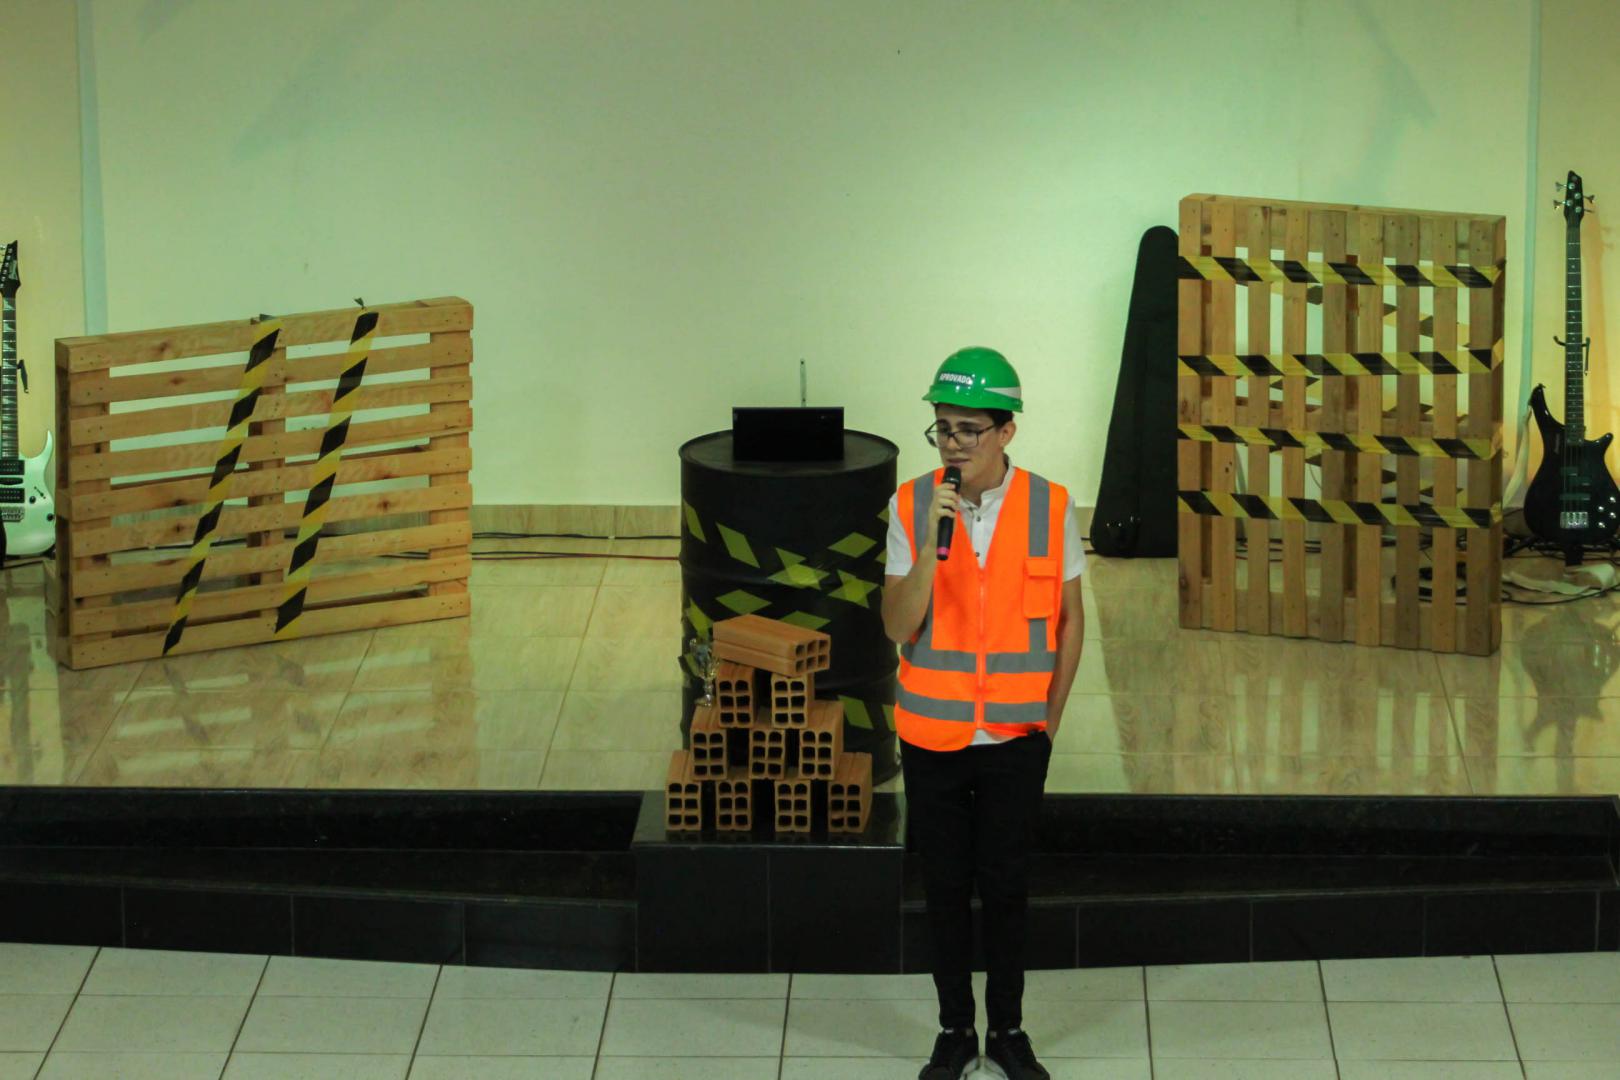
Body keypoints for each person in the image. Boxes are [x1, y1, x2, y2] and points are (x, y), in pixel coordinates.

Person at [882, 347, 1085, 1080]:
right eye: (942, 428)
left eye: (969, 429)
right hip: (932, 733)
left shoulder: (1052, 506)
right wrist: (929, 558)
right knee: (943, 888)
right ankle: (953, 1029)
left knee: (1005, 887)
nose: (953, 444)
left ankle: (1007, 1029)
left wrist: (1049, 723)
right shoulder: (911, 506)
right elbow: (897, 625)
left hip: (1015, 735)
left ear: (1007, 432)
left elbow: (1070, 621)